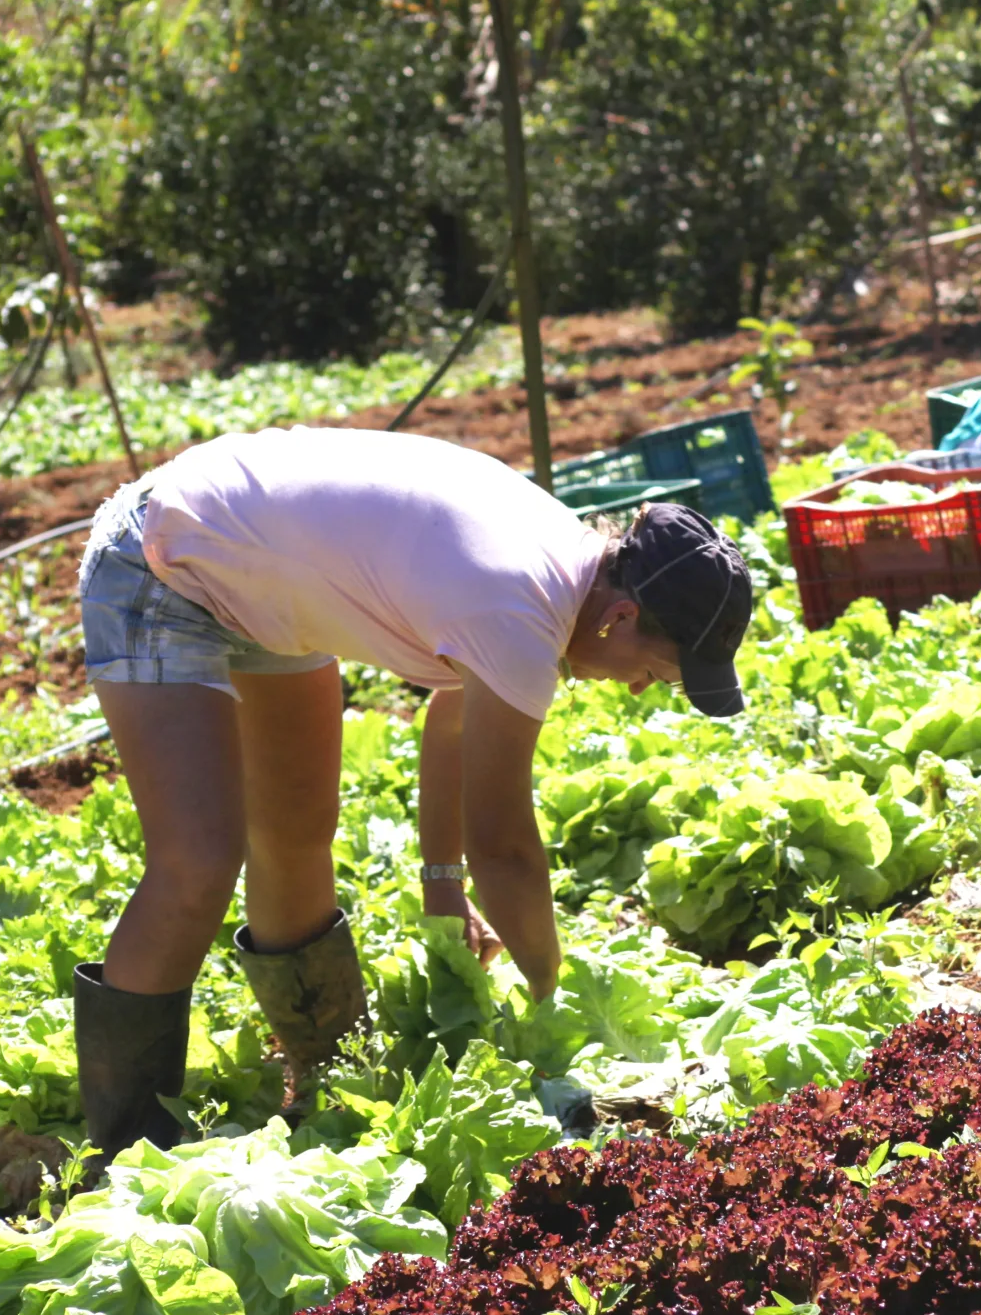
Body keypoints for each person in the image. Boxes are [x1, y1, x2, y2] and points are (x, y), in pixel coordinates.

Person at [71, 426, 754, 1165]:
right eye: (656, 668)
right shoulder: (521, 607)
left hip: (258, 575)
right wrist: (553, 998)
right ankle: (124, 1145)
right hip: (164, 557)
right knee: (198, 860)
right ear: (621, 617)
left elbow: (453, 719)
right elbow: (504, 845)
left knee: (297, 831)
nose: (640, 685)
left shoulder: (565, 576)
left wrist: (442, 887)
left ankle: (327, 1077)